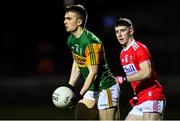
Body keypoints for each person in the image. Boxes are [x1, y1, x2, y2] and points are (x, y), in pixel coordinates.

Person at [63, 4, 120, 120]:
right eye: (65, 18)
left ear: (79, 22)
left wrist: (79, 95)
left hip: (106, 88)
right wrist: (69, 86)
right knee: (80, 117)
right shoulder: (71, 39)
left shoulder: (90, 42)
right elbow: (77, 62)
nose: (65, 21)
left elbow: (93, 73)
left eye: (69, 19)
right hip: (92, 89)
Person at [114, 17, 166, 120]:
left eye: (123, 30)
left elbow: (146, 72)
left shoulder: (139, 48)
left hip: (152, 96)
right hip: (140, 98)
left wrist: (123, 79)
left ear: (131, 31)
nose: (119, 35)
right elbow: (136, 77)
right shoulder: (122, 54)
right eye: (117, 32)